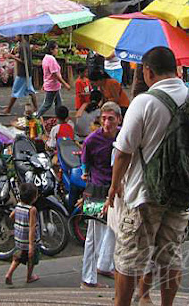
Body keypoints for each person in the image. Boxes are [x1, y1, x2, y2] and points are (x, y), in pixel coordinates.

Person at [107, 46, 189, 306]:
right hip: (182, 194)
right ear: (176, 69)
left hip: (145, 195)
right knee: (171, 254)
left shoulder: (143, 102)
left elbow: (123, 152)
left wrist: (114, 187)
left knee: (130, 260)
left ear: (148, 71)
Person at [80, 101, 120, 289]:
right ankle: (88, 279)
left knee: (115, 230)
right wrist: (86, 174)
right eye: (103, 119)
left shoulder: (123, 135)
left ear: (118, 119)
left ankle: (105, 265)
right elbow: (85, 164)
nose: (107, 123)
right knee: (93, 236)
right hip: (96, 189)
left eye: (110, 119)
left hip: (118, 188)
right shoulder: (91, 140)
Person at [5, 182, 41, 285]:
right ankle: (29, 277)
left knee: (17, 258)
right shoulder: (32, 209)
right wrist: (31, 245)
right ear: (34, 198)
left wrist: (20, 222)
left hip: (19, 239)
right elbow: (32, 227)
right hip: (29, 241)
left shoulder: (18, 205)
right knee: (31, 260)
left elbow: (11, 216)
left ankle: (9, 274)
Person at [0, 35, 37, 116]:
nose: (14, 36)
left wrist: (12, 56)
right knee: (30, 90)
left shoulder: (23, 46)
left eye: (16, 35)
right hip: (26, 71)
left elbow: (23, 61)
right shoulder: (25, 45)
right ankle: (36, 108)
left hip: (23, 72)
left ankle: (8, 109)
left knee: (16, 90)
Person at [37, 41, 71, 118]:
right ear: (51, 50)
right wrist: (65, 84)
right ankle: (37, 116)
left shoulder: (46, 58)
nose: (57, 50)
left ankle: (59, 118)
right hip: (52, 85)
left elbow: (46, 73)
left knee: (58, 103)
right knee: (47, 104)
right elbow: (55, 74)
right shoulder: (51, 59)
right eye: (56, 48)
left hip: (53, 85)